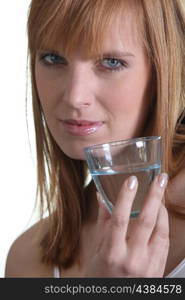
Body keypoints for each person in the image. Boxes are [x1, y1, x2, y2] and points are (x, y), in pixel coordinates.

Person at [5, 0, 185, 278]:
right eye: (53, 59)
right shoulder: (27, 259)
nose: (75, 97)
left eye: (112, 62)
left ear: (165, 71)